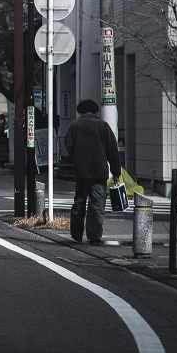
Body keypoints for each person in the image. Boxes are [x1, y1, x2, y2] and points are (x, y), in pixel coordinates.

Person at [64, 99, 121, 244]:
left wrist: (75, 160)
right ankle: (94, 236)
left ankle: (76, 234)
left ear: (81, 111)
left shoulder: (75, 126)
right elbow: (112, 151)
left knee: (79, 202)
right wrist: (116, 172)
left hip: (81, 172)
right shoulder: (103, 126)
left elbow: (68, 146)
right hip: (98, 172)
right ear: (95, 111)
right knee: (97, 205)